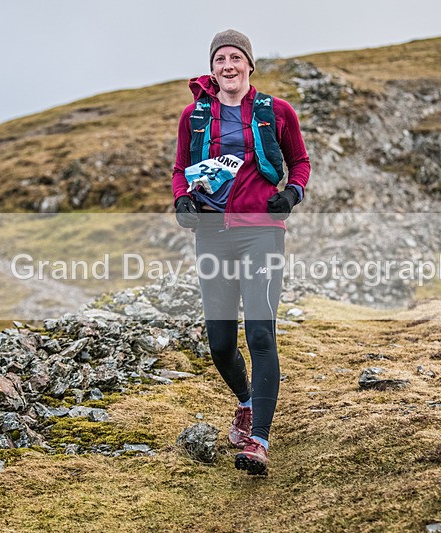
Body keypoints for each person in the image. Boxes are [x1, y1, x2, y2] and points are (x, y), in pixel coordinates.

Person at [171, 29, 311, 475]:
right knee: (220, 345)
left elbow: (301, 163)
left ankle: (259, 442)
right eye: (220, 60)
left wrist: (291, 194)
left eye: (235, 58)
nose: (227, 66)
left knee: (261, 335)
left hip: (261, 234)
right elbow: (179, 170)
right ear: (212, 68)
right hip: (212, 235)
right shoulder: (194, 116)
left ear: (249, 64)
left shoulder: (277, 111)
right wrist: (182, 202)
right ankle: (247, 403)